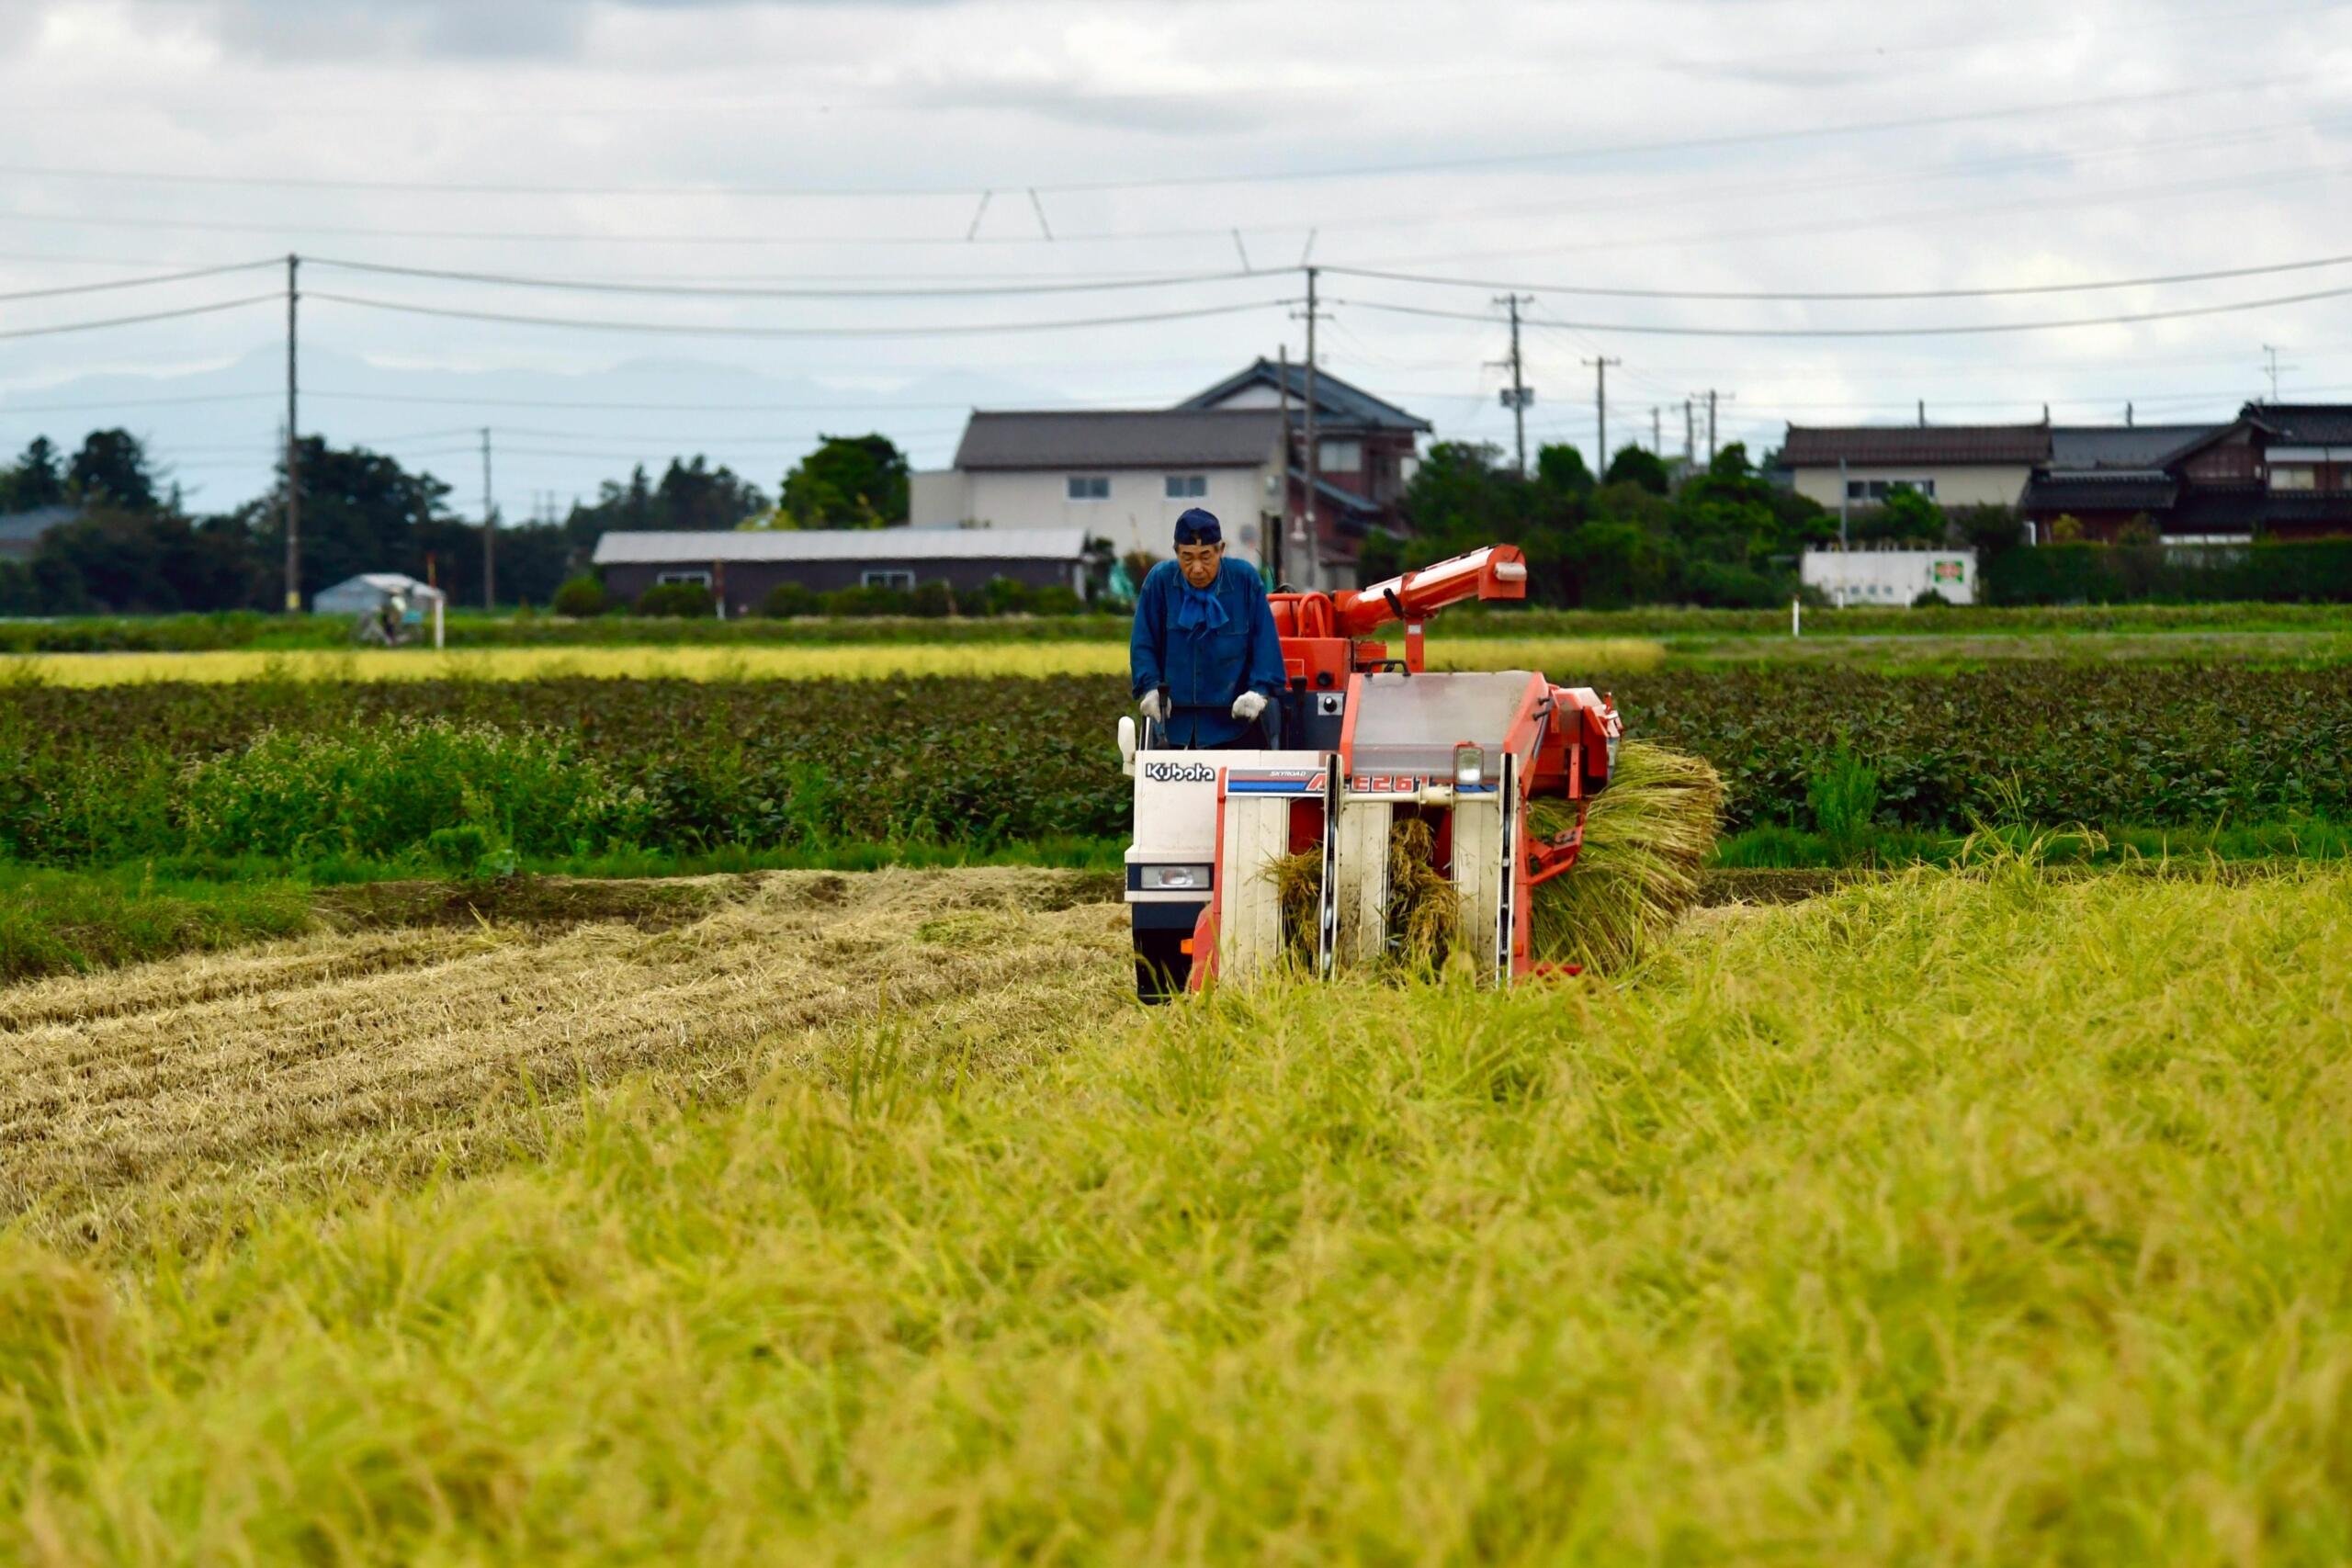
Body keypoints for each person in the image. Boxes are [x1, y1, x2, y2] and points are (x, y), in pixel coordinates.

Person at [1129, 507, 1285, 749]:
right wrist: (1150, 688)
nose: (1197, 568)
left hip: (1235, 726)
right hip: (1172, 728)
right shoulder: (1159, 582)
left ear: (1221, 550)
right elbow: (1143, 643)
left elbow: (1264, 642)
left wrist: (1258, 692)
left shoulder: (1245, 580)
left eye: (1205, 556)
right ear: (1176, 552)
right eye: (1187, 557)